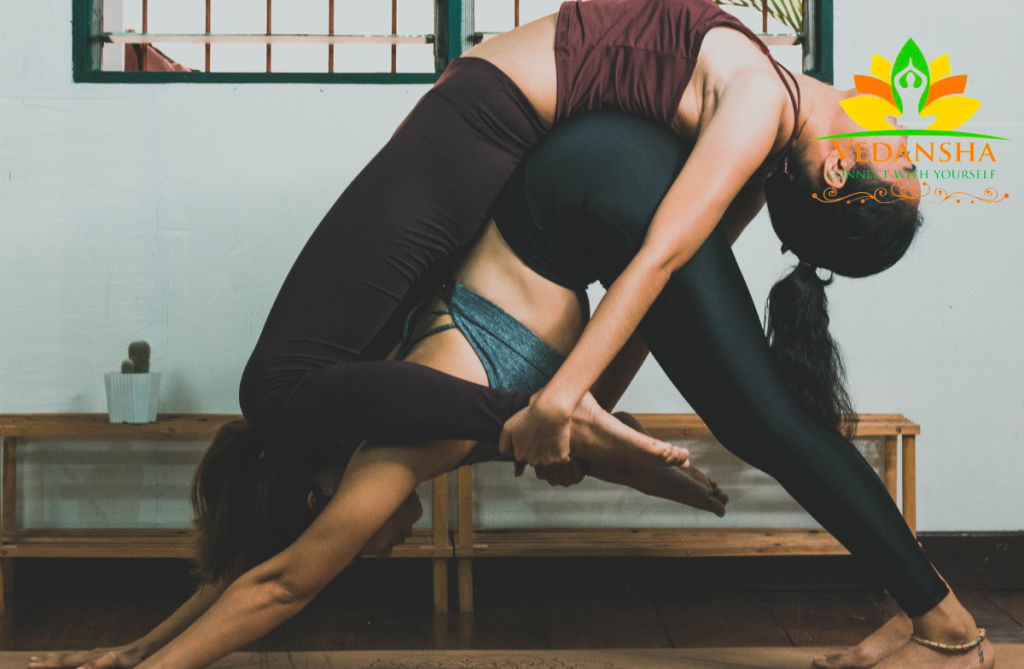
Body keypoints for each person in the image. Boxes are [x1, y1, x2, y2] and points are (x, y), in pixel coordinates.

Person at [25, 166, 732, 669]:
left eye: (348, 531)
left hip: (563, 197)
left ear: (322, 498)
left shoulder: (392, 452)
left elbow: (281, 582)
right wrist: (135, 648)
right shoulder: (369, 426)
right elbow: (249, 569)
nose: (384, 542)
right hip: (576, 220)